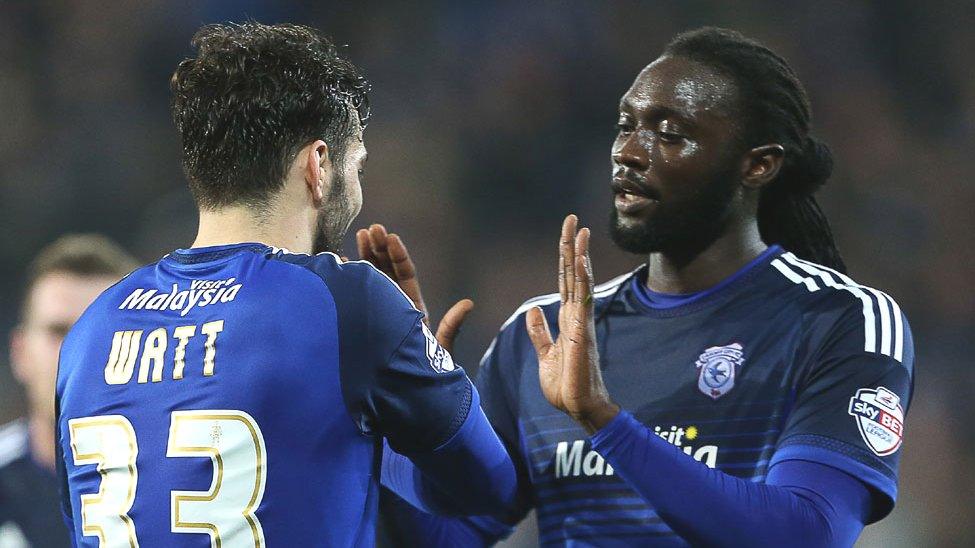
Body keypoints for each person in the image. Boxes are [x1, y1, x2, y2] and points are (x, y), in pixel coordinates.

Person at [373, 27, 913, 547]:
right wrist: (404, 412)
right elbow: (442, 539)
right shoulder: (543, 335)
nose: (629, 151)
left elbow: (806, 532)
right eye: (625, 125)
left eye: (670, 133)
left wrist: (604, 421)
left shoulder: (842, 321)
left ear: (758, 165)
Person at [55, 22, 515, 547]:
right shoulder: (346, 303)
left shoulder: (91, 329)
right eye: (357, 164)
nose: (358, 188)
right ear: (319, 165)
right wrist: (405, 403)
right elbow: (490, 488)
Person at [2, 234, 138, 548]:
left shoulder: (192, 490)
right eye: (59, 331)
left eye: (103, 330)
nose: (79, 353)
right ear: (20, 353)